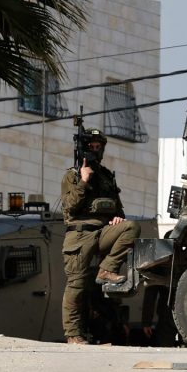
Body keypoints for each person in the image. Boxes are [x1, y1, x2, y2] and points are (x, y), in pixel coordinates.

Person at [60, 129, 140, 345]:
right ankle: (73, 334)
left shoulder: (106, 176)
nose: (96, 150)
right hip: (80, 234)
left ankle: (107, 269)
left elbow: (118, 208)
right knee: (76, 285)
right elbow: (70, 207)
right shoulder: (73, 175)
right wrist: (84, 180)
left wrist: (117, 217)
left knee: (131, 227)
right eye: (92, 146)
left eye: (99, 147)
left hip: (103, 231)